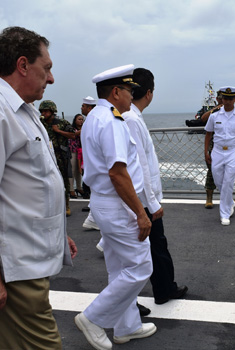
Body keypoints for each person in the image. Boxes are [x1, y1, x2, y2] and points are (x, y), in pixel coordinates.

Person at [0, 26, 77, 350]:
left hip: (25, 259)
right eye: (46, 68)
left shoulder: (22, 110)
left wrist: (57, 230)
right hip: (11, 267)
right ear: (23, 65)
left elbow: (26, 184)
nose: (50, 78)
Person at [75, 64, 156, 349]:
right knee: (140, 266)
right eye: (129, 91)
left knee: (118, 266)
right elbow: (118, 173)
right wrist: (140, 213)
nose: (131, 97)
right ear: (116, 91)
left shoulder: (94, 117)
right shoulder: (112, 121)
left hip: (102, 201)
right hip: (118, 204)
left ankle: (126, 326)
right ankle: (94, 317)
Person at [121, 67, 188, 305]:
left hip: (141, 197)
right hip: (141, 199)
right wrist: (151, 203)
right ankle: (161, 290)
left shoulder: (132, 117)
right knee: (152, 249)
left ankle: (161, 289)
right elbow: (139, 166)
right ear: (148, 93)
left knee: (152, 248)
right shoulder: (131, 119)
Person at [204, 86, 235, 226]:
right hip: (217, 151)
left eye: (231, 98)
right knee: (219, 181)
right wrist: (206, 151)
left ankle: (225, 214)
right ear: (221, 99)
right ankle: (230, 202)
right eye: (225, 98)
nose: (228, 101)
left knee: (228, 181)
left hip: (232, 151)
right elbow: (208, 134)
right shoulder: (215, 115)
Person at [39, 100, 76, 216]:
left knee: (64, 181)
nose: (44, 113)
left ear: (52, 111)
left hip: (60, 156)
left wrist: (58, 131)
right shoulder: (39, 122)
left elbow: (73, 135)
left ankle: (66, 205)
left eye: (46, 111)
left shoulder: (62, 123)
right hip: (44, 155)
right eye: (42, 111)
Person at [200, 90, 222, 209]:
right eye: (222, 98)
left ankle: (227, 197)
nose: (224, 101)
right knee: (211, 173)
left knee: (228, 174)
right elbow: (203, 118)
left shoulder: (233, 112)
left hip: (227, 149)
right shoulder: (214, 112)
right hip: (214, 148)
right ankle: (209, 198)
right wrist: (216, 108)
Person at [69, 113, 84, 198]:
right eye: (79, 119)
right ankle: (71, 189)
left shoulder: (83, 128)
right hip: (73, 151)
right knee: (72, 170)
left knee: (79, 171)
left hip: (81, 152)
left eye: (82, 119)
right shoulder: (72, 129)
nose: (81, 121)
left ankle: (79, 187)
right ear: (75, 120)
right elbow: (75, 134)